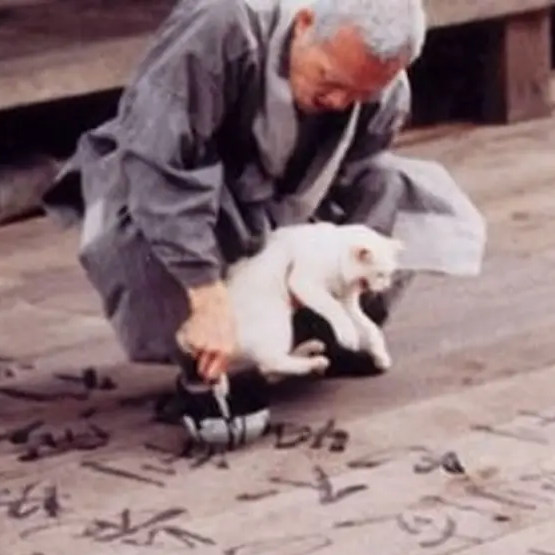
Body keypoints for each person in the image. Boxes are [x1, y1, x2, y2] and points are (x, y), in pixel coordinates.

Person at [43, 0, 488, 445]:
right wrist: (206, 293)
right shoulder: (222, 24)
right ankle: (216, 357)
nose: (337, 101)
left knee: (386, 185)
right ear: (305, 23)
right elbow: (159, 163)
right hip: (182, 187)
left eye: (358, 94)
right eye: (329, 80)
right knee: (180, 272)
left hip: (284, 205)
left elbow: (355, 167)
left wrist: (307, 262)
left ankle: (314, 335)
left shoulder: (382, 85)